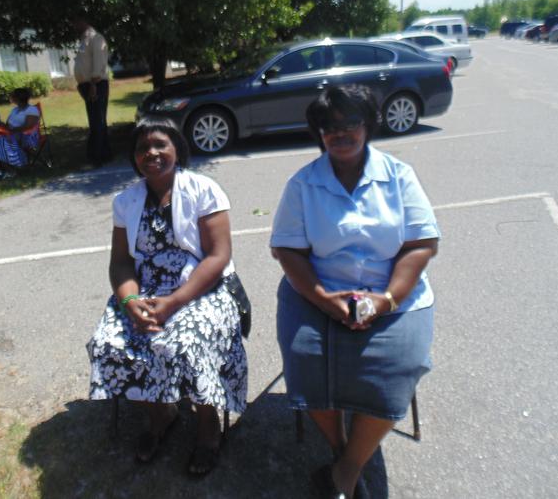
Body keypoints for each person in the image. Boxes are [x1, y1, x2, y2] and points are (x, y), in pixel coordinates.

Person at [270, 87, 440, 498]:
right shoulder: (303, 184)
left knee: (401, 364)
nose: (341, 133)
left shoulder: (399, 176)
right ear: (319, 133)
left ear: (368, 125)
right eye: (330, 126)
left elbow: (421, 244)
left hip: (394, 295)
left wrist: (387, 300)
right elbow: (287, 251)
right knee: (305, 358)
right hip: (318, 291)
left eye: (351, 123)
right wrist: (323, 300)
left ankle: (346, 468)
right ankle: (340, 445)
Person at [87, 118, 247, 476]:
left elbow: (218, 256)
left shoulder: (203, 190)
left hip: (202, 289)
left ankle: (208, 425)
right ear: (134, 157)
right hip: (145, 292)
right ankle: (161, 413)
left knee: (187, 341)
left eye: (160, 144)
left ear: (177, 148)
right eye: (142, 148)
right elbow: (121, 263)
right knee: (108, 342)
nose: (151, 153)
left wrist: (174, 302)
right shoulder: (125, 201)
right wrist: (130, 303)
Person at [72, 16, 112, 166]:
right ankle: (105, 154)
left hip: (96, 84)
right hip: (87, 85)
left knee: (97, 121)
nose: (73, 26)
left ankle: (96, 157)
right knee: (96, 120)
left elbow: (99, 63)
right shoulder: (84, 40)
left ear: (83, 21)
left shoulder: (96, 38)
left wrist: (94, 85)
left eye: (75, 22)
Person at [0, 87, 40, 179]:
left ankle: (10, 170)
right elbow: (8, 125)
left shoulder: (32, 109)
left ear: (17, 98)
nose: (11, 97)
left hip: (25, 135)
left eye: (12, 96)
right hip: (10, 133)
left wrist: (11, 131)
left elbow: (28, 126)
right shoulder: (15, 110)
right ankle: (0, 169)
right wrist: (1, 126)